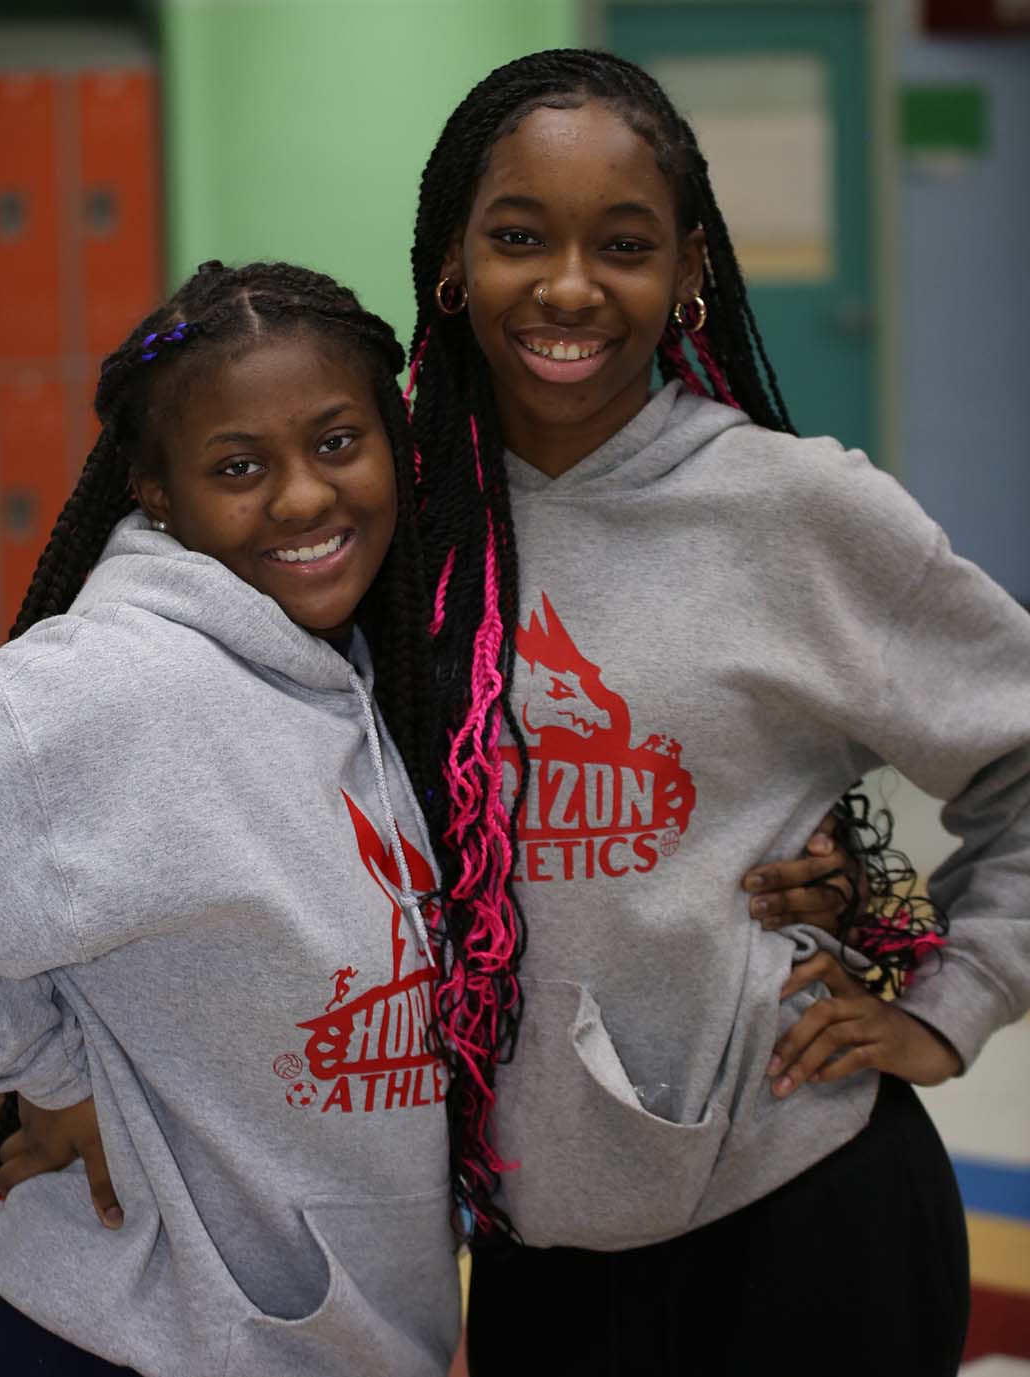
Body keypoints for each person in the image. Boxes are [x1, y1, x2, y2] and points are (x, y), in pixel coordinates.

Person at [0, 261, 462, 1377]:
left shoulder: (353, 669)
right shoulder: (111, 684)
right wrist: (42, 1070)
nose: (303, 497)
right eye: (238, 466)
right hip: (103, 1339)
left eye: (338, 441)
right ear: (155, 490)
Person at [406, 49, 1029, 1374]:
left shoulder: (798, 511)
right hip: (533, 1243)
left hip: (802, 1209)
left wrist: (951, 989)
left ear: (688, 269)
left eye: (621, 244)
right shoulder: (392, 530)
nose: (569, 285)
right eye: (521, 236)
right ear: (453, 258)